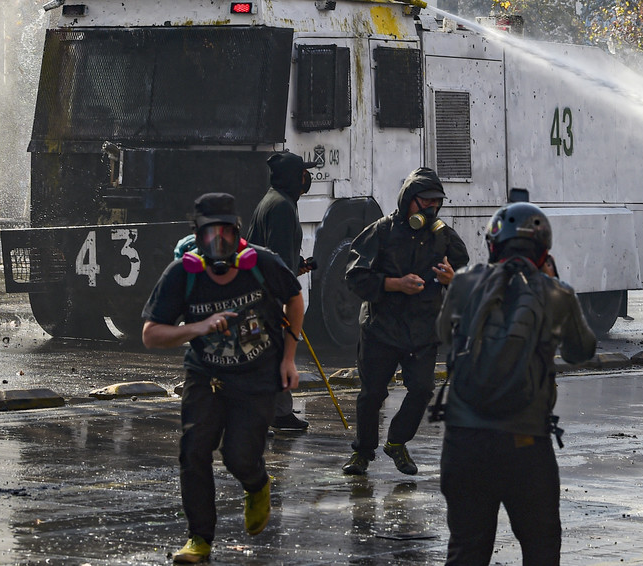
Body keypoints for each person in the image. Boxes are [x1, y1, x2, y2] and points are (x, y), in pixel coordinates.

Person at [141, 193, 304, 564]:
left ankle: (257, 483)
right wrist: (196, 327)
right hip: (206, 375)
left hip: (257, 376)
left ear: (238, 234)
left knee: (238, 457)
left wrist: (289, 359)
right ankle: (199, 538)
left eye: (226, 234)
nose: (219, 244)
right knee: (193, 451)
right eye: (210, 235)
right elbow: (151, 334)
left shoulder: (262, 264)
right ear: (197, 238)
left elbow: (295, 299)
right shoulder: (182, 275)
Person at [436, 201, 597, 565]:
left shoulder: (463, 283)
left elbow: (444, 334)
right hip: (525, 444)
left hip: (464, 441)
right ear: (543, 251)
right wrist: (555, 284)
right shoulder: (557, 294)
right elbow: (581, 351)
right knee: (541, 548)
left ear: (494, 245)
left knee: (466, 548)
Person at [342, 167, 470, 476]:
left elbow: (466, 271)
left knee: (423, 389)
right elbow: (354, 275)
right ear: (408, 200)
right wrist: (394, 284)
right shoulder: (382, 231)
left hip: (423, 329)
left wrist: (453, 279)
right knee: (372, 393)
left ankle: (397, 442)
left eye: (436, 202)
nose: (431, 208)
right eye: (424, 201)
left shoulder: (442, 234)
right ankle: (363, 451)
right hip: (381, 327)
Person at [245, 150, 321, 432]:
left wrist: (296, 265)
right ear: (294, 177)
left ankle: (272, 412)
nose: (307, 178)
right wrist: (285, 294)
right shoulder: (281, 207)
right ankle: (273, 414)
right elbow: (275, 257)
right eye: (303, 173)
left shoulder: (275, 201)